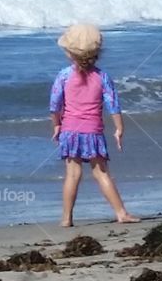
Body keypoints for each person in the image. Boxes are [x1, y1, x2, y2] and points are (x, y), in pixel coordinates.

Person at [49, 23, 139, 227]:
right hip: (93, 132)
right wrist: (119, 128)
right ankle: (121, 212)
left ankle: (66, 218)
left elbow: (55, 105)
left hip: (69, 131)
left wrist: (56, 126)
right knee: (101, 172)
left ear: (70, 53)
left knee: (72, 173)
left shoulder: (64, 75)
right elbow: (113, 105)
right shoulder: (102, 76)